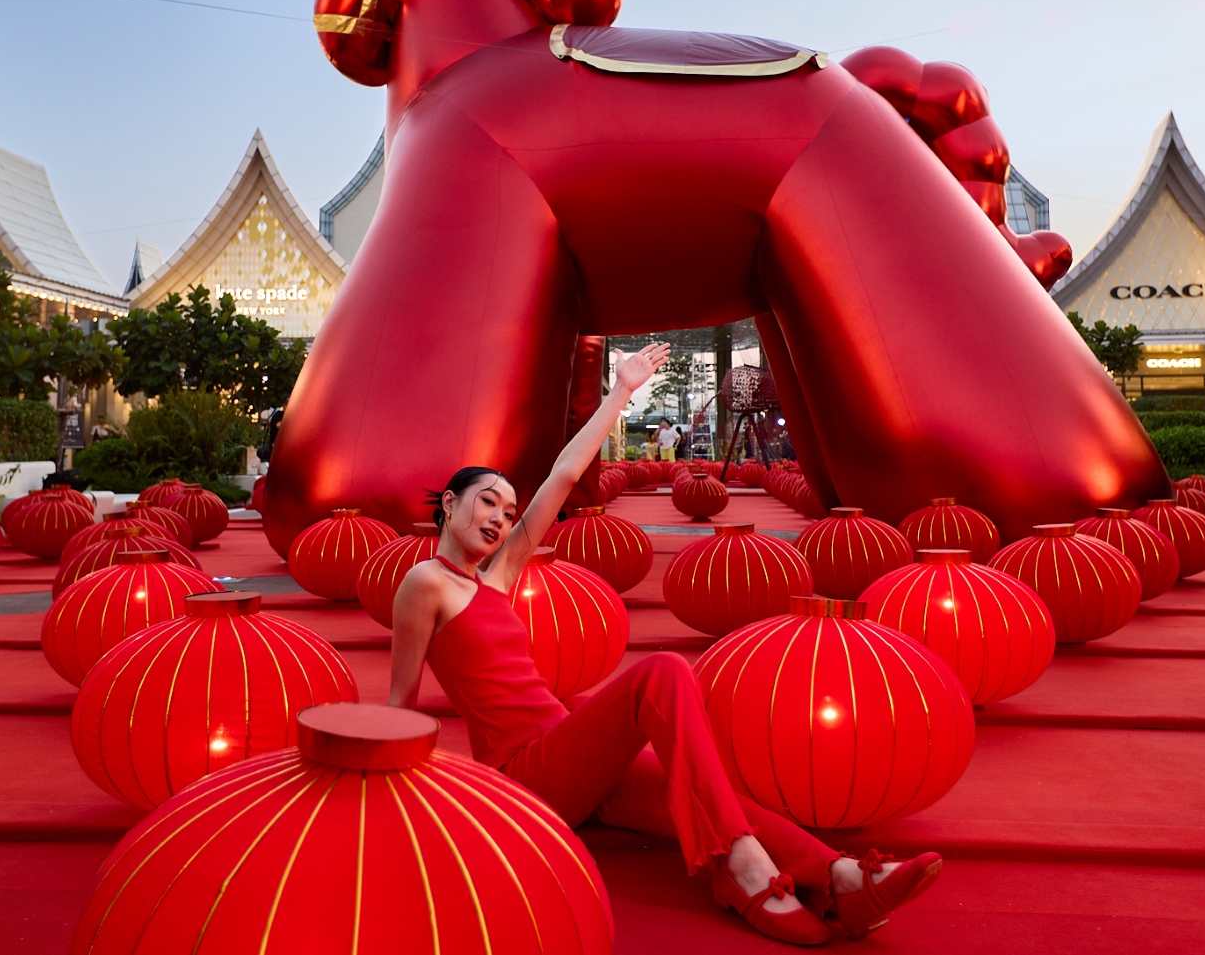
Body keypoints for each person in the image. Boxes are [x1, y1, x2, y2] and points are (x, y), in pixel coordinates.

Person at [387, 342, 940, 945]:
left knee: (711, 795)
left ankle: (839, 879)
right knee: (663, 673)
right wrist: (397, 804)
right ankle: (743, 873)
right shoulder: (425, 583)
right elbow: (401, 701)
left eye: (508, 508)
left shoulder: (499, 573)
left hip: (572, 753)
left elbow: (564, 475)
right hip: (525, 774)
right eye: (486, 501)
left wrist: (622, 389)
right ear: (449, 503)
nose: (500, 517)